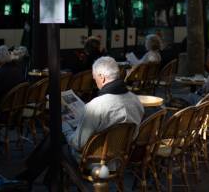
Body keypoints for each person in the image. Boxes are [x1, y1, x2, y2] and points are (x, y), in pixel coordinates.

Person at [17, 56, 144, 185]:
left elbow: (77, 144)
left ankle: (29, 178)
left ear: (102, 77)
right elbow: (131, 135)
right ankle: (40, 179)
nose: (96, 83)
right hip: (118, 160)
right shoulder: (136, 101)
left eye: (95, 79)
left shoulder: (97, 105)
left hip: (93, 163)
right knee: (56, 139)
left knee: (56, 137)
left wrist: (64, 126)